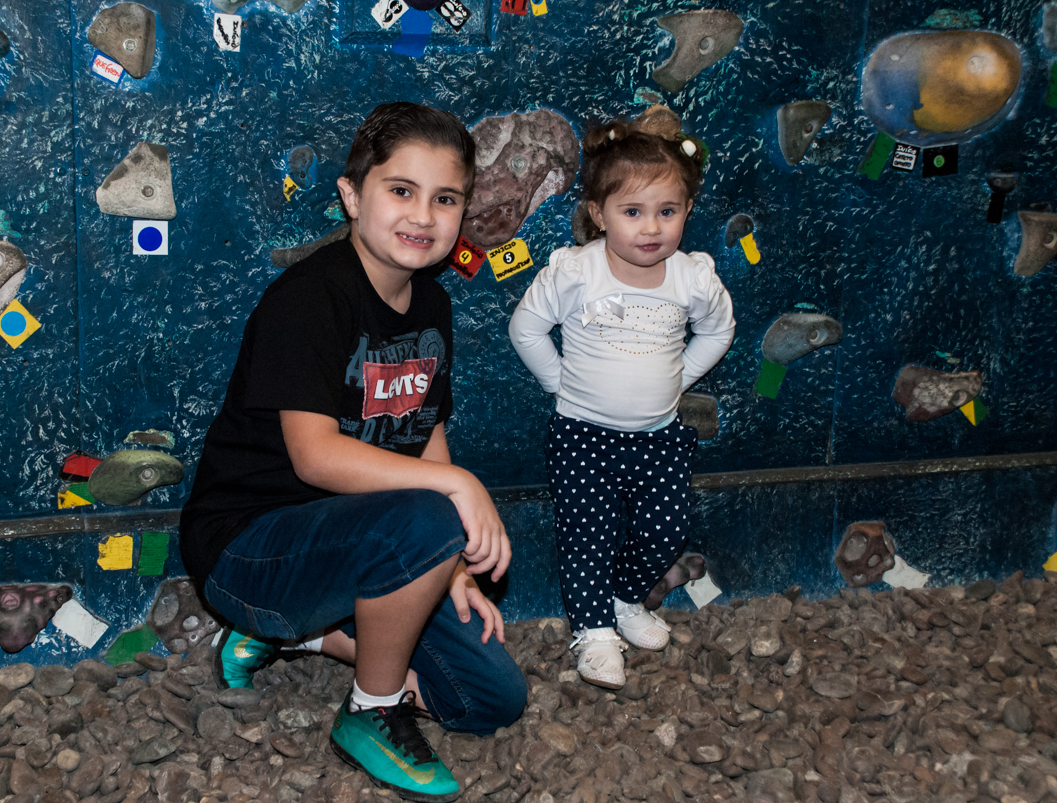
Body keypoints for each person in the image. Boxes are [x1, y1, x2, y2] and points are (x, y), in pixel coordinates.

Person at [180, 102, 526, 803]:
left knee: (489, 697)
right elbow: (314, 458)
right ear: (351, 195)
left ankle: (305, 637)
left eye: (445, 198)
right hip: (249, 548)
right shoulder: (308, 299)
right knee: (433, 512)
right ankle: (371, 711)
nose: (423, 215)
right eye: (401, 191)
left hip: (358, 543)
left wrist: (448, 569)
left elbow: (422, 426)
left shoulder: (432, 306)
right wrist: (456, 494)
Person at [508, 120, 735, 689]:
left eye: (668, 210)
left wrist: (678, 378)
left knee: (666, 529)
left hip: (659, 436)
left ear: (686, 210)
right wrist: (560, 385)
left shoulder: (692, 279)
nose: (652, 227)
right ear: (598, 213)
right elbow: (526, 329)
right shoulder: (577, 272)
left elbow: (719, 331)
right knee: (589, 533)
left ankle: (626, 600)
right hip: (583, 434)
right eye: (632, 212)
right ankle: (594, 633)